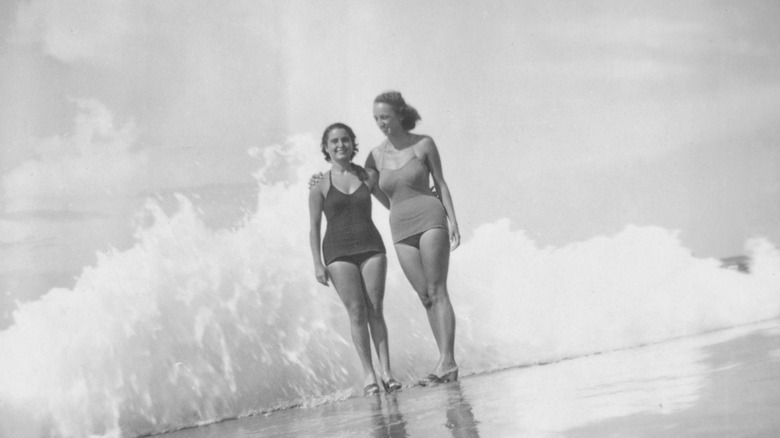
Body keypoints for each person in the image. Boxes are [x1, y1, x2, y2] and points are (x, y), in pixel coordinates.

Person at [367, 91, 461, 386]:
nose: (381, 123)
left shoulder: (423, 144)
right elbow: (365, 185)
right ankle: (445, 360)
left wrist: (453, 219)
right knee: (424, 296)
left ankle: (447, 361)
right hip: (401, 228)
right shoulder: (375, 155)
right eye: (376, 119)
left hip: (431, 219)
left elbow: (441, 184)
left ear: (399, 114)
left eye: (385, 117)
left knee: (437, 290)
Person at [308, 122, 402, 396]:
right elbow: (314, 226)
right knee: (357, 312)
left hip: (371, 247)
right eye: (334, 141)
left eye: (345, 140)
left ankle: (387, 372)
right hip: (337, 253)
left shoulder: (368, 176)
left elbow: (392, 202)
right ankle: (369, 375)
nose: (340, 145)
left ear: (352, 144)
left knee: (375, 308)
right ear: (326, 148)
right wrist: (317, 263)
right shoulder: (319, 186)